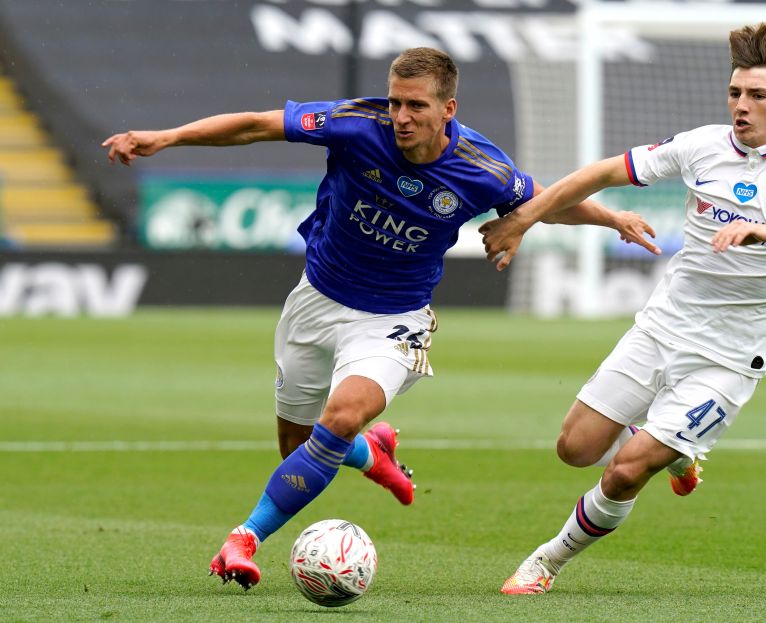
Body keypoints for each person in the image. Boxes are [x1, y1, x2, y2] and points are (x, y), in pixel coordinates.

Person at [102, 47, 655, 590]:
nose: (400, 117)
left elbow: (546, 200)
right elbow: (253, 126)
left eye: (415, 106)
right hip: (315, 301)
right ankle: (372, 452)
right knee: (298, 448)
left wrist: (612, 219)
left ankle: (243, 540)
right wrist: (166, 137)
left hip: (394, 319)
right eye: (395, 103)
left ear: (449, 110)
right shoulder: (354, 124)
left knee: (340, 418)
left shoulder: (480, 167)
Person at [479, 23, 766, 594]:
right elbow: (602, 172)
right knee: (574, 449)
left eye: (757, 96)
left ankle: (546, 562)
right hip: (662, 327)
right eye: (735, 93)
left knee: (628, 467)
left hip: (729, 357)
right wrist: (525, 218)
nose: (741, 106)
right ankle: (675, 449)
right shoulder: (700, 145)